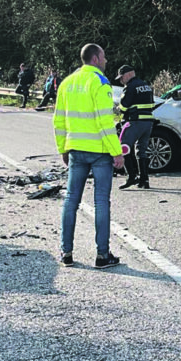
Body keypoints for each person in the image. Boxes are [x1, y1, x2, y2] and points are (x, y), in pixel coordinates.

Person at [54, 43, 124, 269]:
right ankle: (102, 255)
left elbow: (59, 121)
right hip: (100, 152)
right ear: (95, 59)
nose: (106, 61)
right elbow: (105, 122)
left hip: (75, 149)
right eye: (103, 57)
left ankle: (66, 252)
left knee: (71, 199)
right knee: (101, 201)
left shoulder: (66, 83)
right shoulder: (100, 83)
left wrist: (62, 148)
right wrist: (117, 152)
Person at [116, 65, 156, 190]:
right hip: (148, 123)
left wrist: (116, 109)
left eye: (121, 78)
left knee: (125, 148)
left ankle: (131, 177)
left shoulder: (130, 87)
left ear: (128, 74)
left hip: (134, 122)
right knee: (141, 151)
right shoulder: (146, 86)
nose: (121, 81)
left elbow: (123, 107)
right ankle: (144, 179)